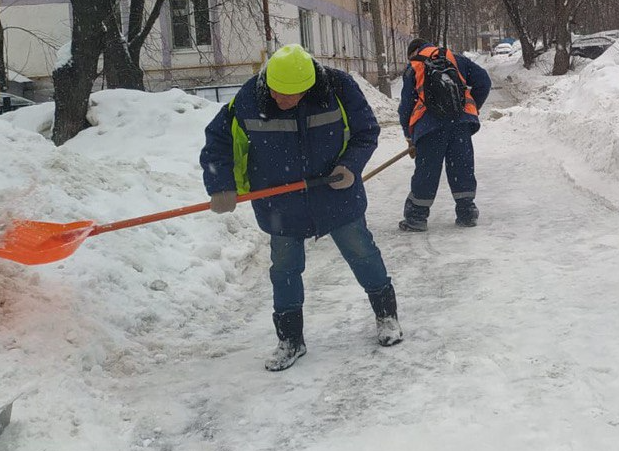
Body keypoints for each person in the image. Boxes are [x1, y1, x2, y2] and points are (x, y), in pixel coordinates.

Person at [200, 44, 402, 372]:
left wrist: (349, 166)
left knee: (362, 254)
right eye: (278, 93)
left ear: (309, 86)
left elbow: (366, 132)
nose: (283, 100)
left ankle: (386, 316)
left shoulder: (338, 88)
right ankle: (290, 339)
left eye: (292, 95)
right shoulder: (251, 97)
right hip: (279, 201)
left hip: (335, 193)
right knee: (284, 269)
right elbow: (218, 142)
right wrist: (221, 186)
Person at [397, 38, 492, 231]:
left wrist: (409, 135)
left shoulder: (414, 66)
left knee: (427, 170)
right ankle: (467, 212)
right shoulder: (456, 59)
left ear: (414, 52)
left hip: (429, 126)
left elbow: (406, 107)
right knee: (462, 167)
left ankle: (417, 217)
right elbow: (484, 81)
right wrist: (471, 107)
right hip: (460, 123)